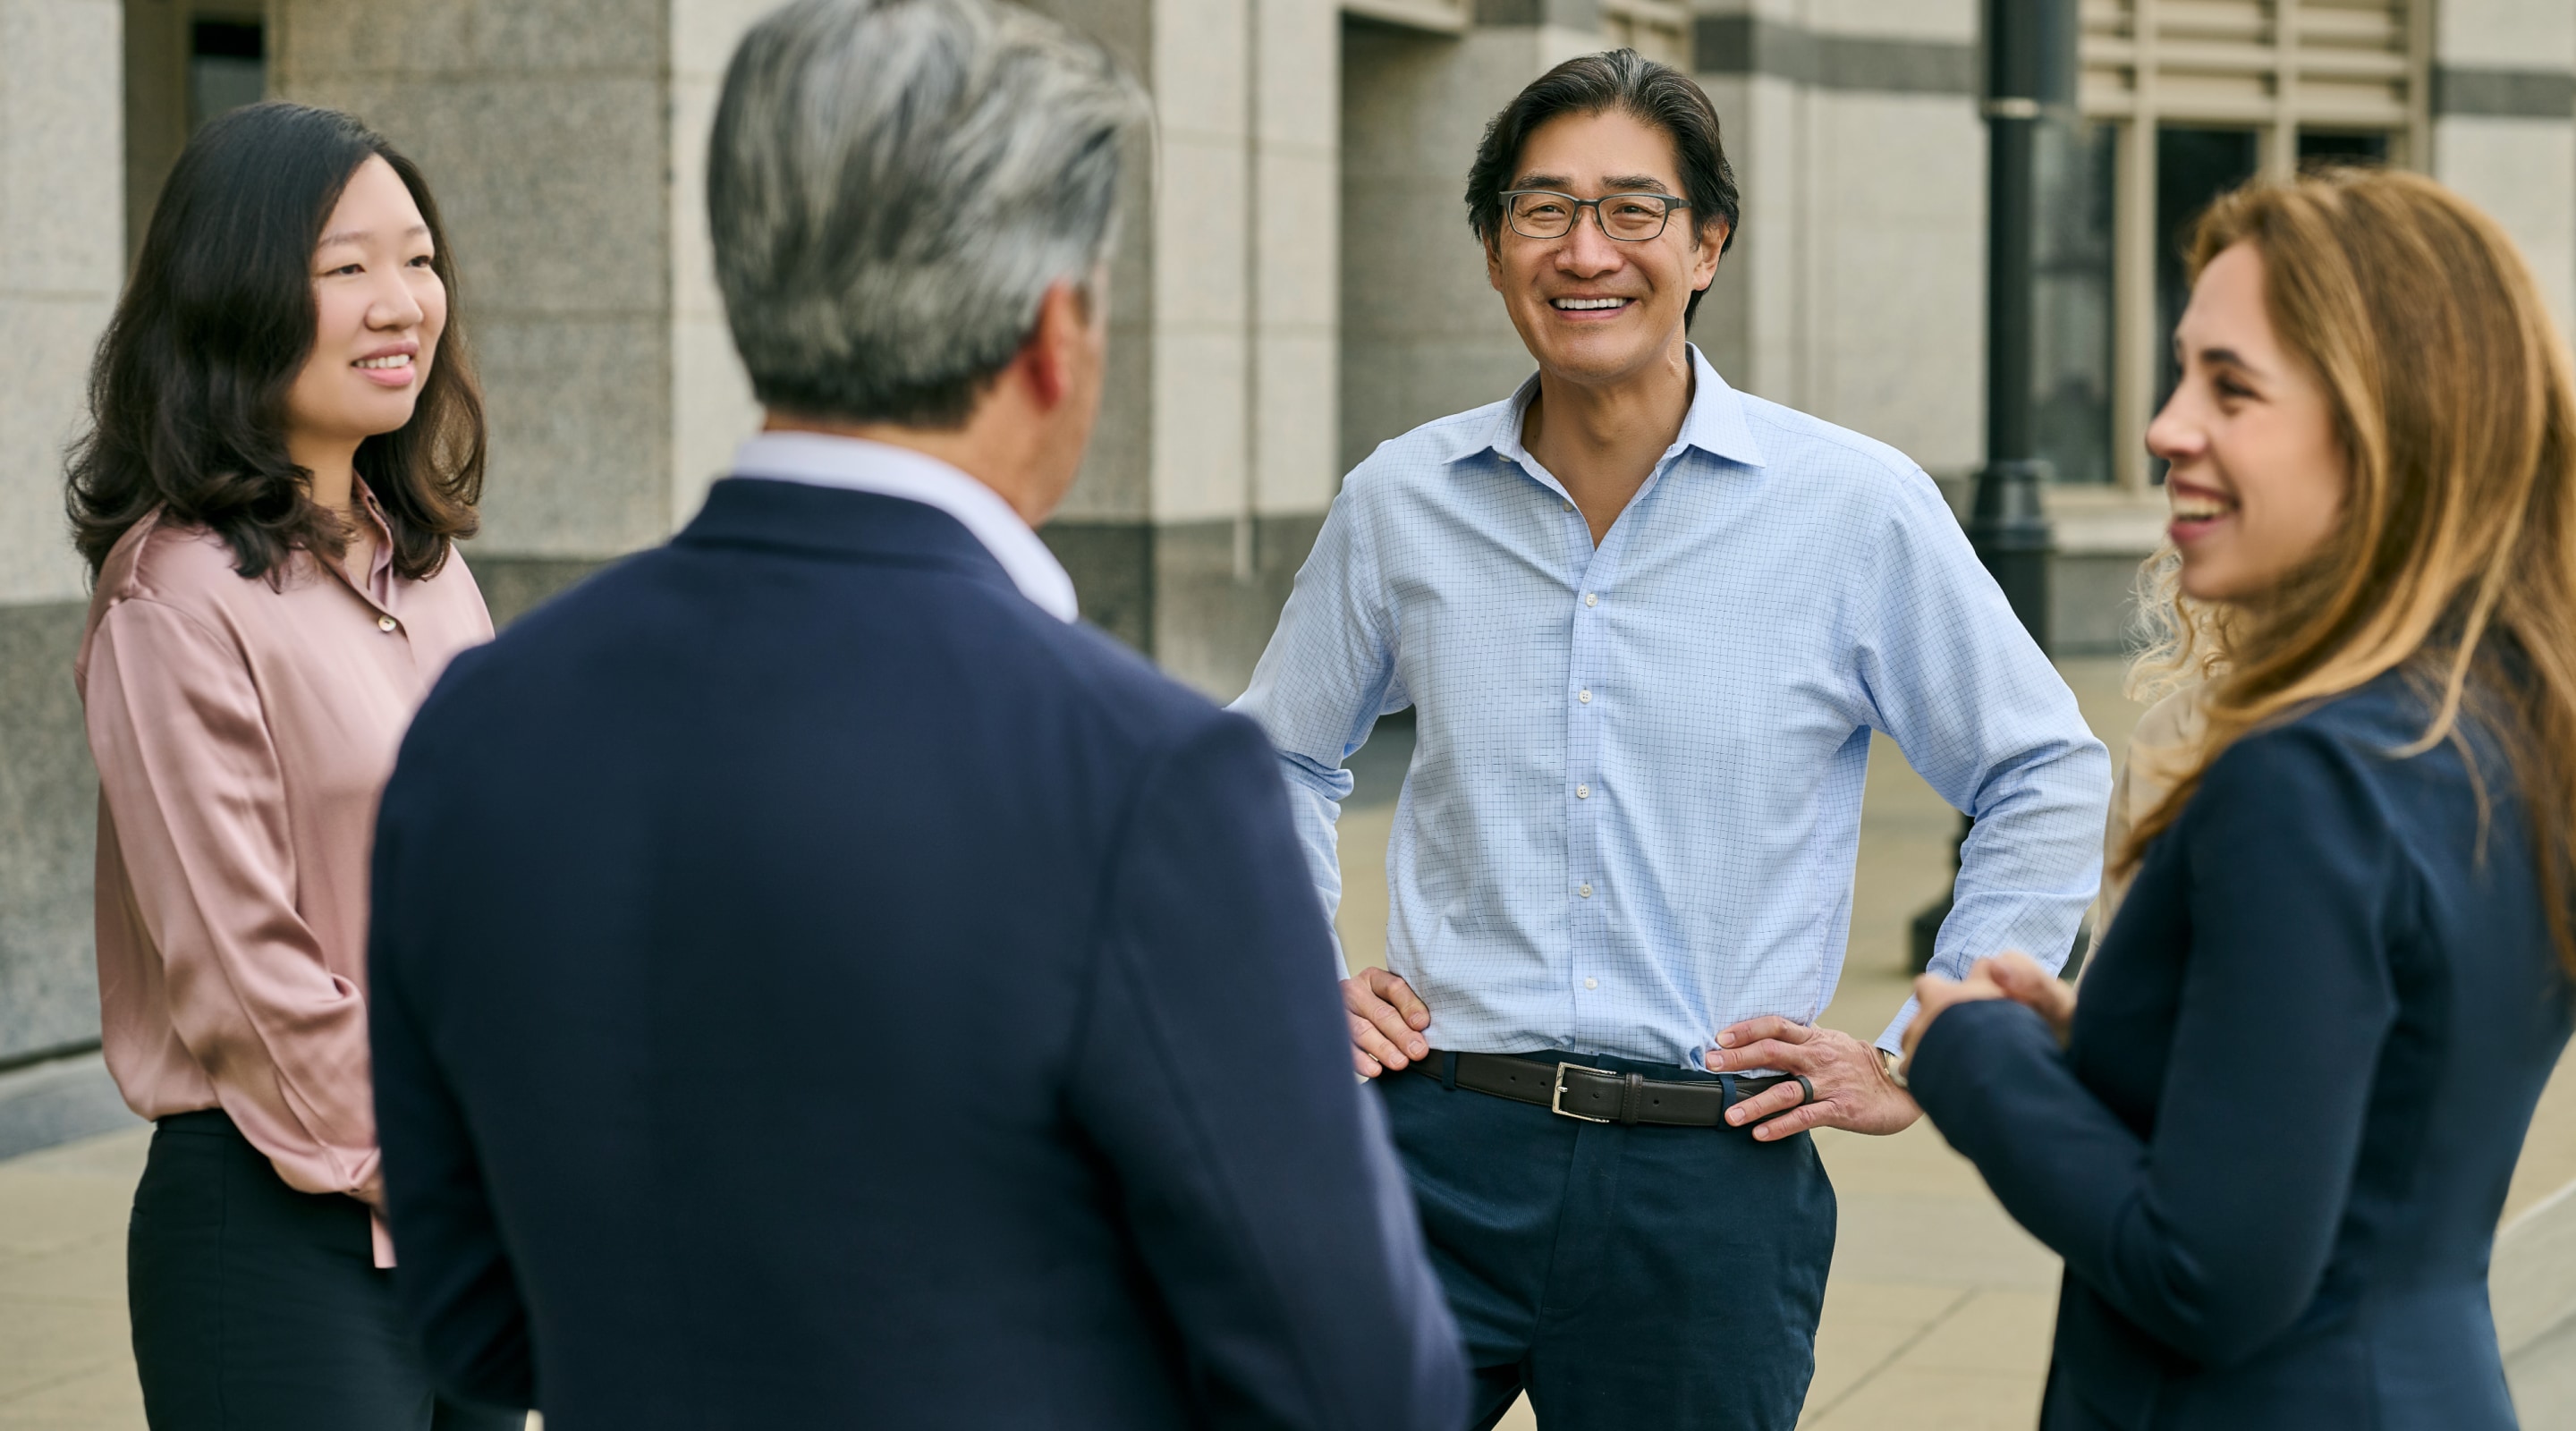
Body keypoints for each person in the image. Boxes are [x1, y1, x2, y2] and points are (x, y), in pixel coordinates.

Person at [361, 3, 1468, 1427]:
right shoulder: (1147, 777)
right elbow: (1359, 1387)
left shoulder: (484, 721)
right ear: (1057, 330)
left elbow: (475, 1321)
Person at [1233, 47, 2111, 1431]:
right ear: (1492, 247)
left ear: (1708, 245)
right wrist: (1290, 976)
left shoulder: (1852, 508)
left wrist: (1921, 1049)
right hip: (1427, 1151)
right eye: (1543, 209)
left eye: (1634, 211)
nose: (1588, 250)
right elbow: (1271, 756)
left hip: (1709, 1182)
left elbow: (2044, 772)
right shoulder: (1403, 500)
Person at [1901, 168, 2576, 1430]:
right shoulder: (2508, 736)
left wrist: (1972, 1058)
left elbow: (2210, 1275)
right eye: (2179, 375)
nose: (2164, 427)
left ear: (2391, 430)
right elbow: (2371, 1126)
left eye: (2232, 387)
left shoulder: (2308, 777)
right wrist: (2084, 1048)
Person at [64, 102, 510, 1430]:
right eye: (347, 268)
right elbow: (247, 981)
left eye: (418, 260)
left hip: (457, 1229)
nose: (403, 305)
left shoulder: (425, 569)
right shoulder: (175, 598)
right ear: (239, 296)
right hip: (273, 1236)